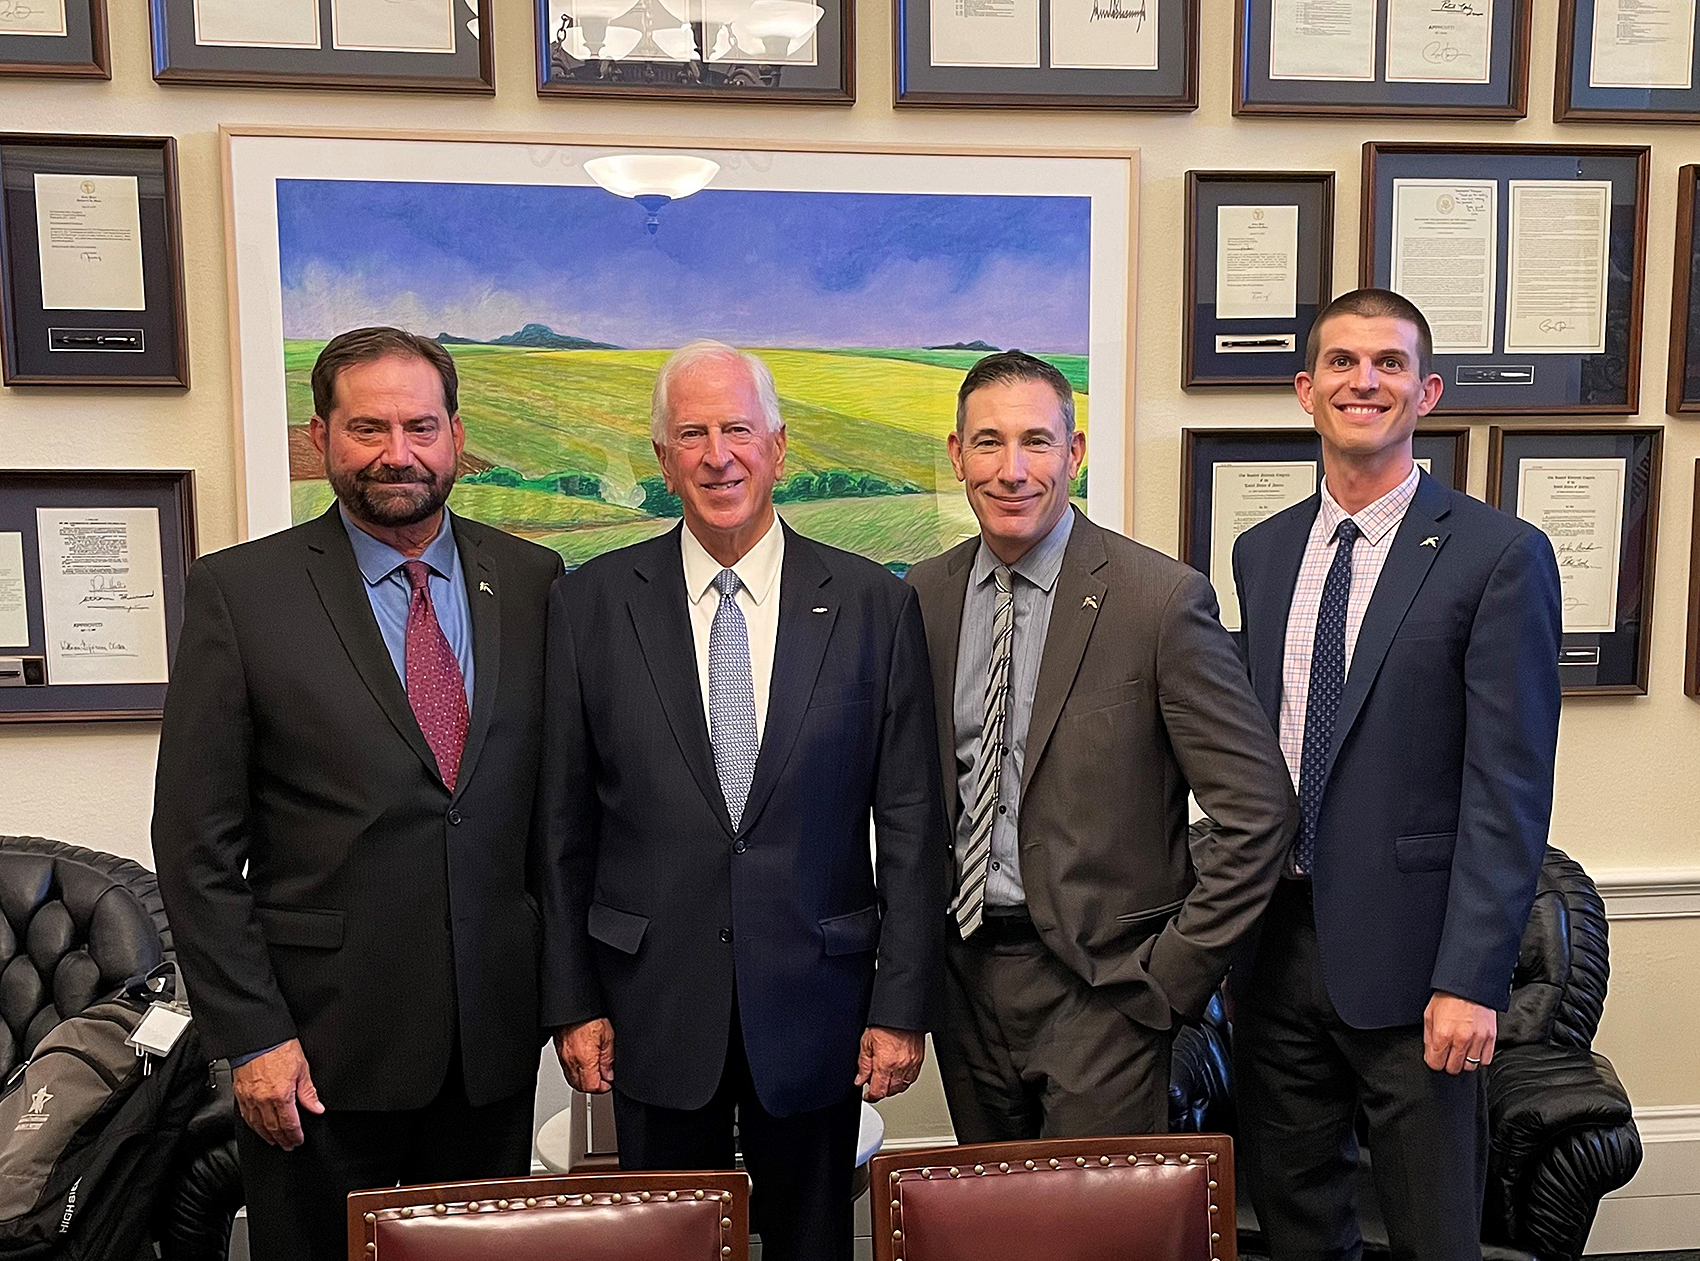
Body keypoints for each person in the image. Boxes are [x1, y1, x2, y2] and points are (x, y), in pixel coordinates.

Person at [152, 327, 563, 1261]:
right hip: (317, 1055)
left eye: (420, 426)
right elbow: (194, 846)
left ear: (457, 434)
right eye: (367, 427)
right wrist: (253, 1038)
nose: (397, 453)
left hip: (492, 1045)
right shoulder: (241, 593)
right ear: (320, 438)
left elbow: (552, 816)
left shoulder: (533, 581)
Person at [537, 340, 948, 1261]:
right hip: (651, 1004)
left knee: (812, 1244)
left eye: (736, 429)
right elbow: (561, 825)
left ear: (778, 445)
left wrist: (901, 1004)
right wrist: (571, 999)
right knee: (663, 1244)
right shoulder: (591, 603)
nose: (717, 454)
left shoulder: (872, 604)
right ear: (662, 459)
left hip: (821, 1003)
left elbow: (915, 823)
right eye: (692, 433)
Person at [1231, 289, 1563, 1260]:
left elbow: (1506, 789)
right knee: (1295, 1224)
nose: (1361, 381)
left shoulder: (1496, 554)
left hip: (1419, 969)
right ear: (1304, 388)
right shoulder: (1262, 551)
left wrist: (1469, 979)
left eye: (1385, 363)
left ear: (1424, 391)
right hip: (1274, 949)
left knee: (1430, 1233)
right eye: (1340, 362)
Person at [904, 350, 1297, 1141]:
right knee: (989, 1224)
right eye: (987, 443)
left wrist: (1171, 978)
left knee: (1098, 1234)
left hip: (1105, 991)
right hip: (965, 981)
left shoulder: (1159, 602)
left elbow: (1258, 811)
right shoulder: (923, 596)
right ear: (956, 456)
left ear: (1074, 453)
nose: (1012, 469)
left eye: (1036, 442)